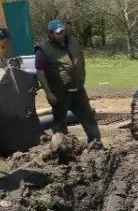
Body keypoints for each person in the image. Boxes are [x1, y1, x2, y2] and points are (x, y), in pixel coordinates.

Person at [34, 19, 101, 148]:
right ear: (50, 34)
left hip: (78, 89)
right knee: (60, 123)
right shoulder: (43, 49)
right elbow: (40, 72)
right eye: (58, 33)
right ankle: (62, 149)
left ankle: (96, 144)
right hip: (59, 93)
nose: (61, 34)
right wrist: (48, 92)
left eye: (63, 31)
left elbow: (80, 59)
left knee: (88, 118)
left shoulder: (73, 42)